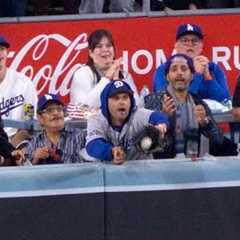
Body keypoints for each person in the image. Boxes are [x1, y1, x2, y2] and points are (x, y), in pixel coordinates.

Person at [146, 54, 224, 158]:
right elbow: (146, 143)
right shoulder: (154, 100)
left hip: (192, 166)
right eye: (174, 69)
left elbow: (219, 140)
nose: (179, 73)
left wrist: (206, 123)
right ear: (167, 77)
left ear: (192, 76)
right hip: (161, 167)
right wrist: (163, 119)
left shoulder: (198, 103)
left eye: (184, 69)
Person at [85, 80, 169, 164]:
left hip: (141, 170)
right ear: (106, 102)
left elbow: (157, 117)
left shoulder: (137, 115)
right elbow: (92, 145)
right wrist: (111, 152)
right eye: (116, 98)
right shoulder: (96, 119)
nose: (121, 102)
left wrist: (161, 126)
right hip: (108, 171)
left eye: (125, 97)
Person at [153, 23, 231, 105]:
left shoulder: (213, 68)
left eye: (194, 41)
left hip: (209, 116)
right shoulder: (165, 69)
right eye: (185, 41)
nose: (190, 44)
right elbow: (170, 103)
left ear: (201, 45)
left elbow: (225, 101)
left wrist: (208, 77)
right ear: (176, 45)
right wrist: (197, 75)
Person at [70, 29, 140, 108]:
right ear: (91, 53)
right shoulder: (82, 73)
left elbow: (136, 105)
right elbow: (84, 108)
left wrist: (116, 80)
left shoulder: (124, 75)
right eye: (99, 46)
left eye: (108, 45)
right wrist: (107, 77)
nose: (105, 50)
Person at [26, 94, 86, 165]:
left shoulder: (81, 137)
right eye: (49, 110)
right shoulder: (34, 143)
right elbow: (25, 172)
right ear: (40, 118)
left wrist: (59, 157)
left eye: (59, 109)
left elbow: (91, 165)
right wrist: (34, 160)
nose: (56, 113)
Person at [0, 36, 38, 147]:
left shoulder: (24, 84)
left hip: (15, 142)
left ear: (7, 53)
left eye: (2, 49)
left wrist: (9, 149)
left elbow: (29, 122)